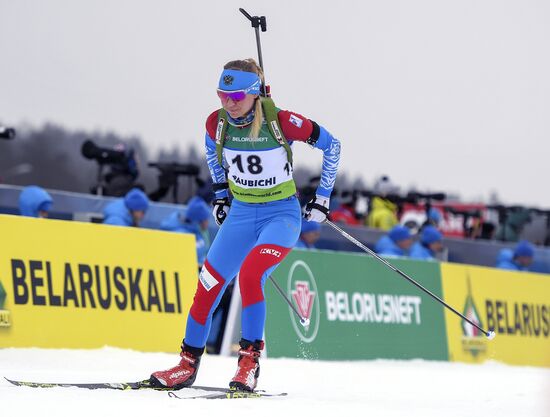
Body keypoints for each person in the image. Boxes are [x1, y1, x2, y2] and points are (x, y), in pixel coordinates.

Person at [150, 58, 341, 392]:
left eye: (236, 96)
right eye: (222, 95)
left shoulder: (283, 122)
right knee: (207, 284)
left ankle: (249, 364)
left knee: (251, 275)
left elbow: (332, 145)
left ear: (254, 93)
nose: (228, 103)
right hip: (240, 215)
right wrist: (221, 194)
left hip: (280, 217)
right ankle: (186, 364)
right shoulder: (216, 123)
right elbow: (212, 153)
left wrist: (323, 197)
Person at [160, 196, 211, 267]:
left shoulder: (199, 232)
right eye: (206, 219)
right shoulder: (181, 236)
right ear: (199, 221)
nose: (208, 223)